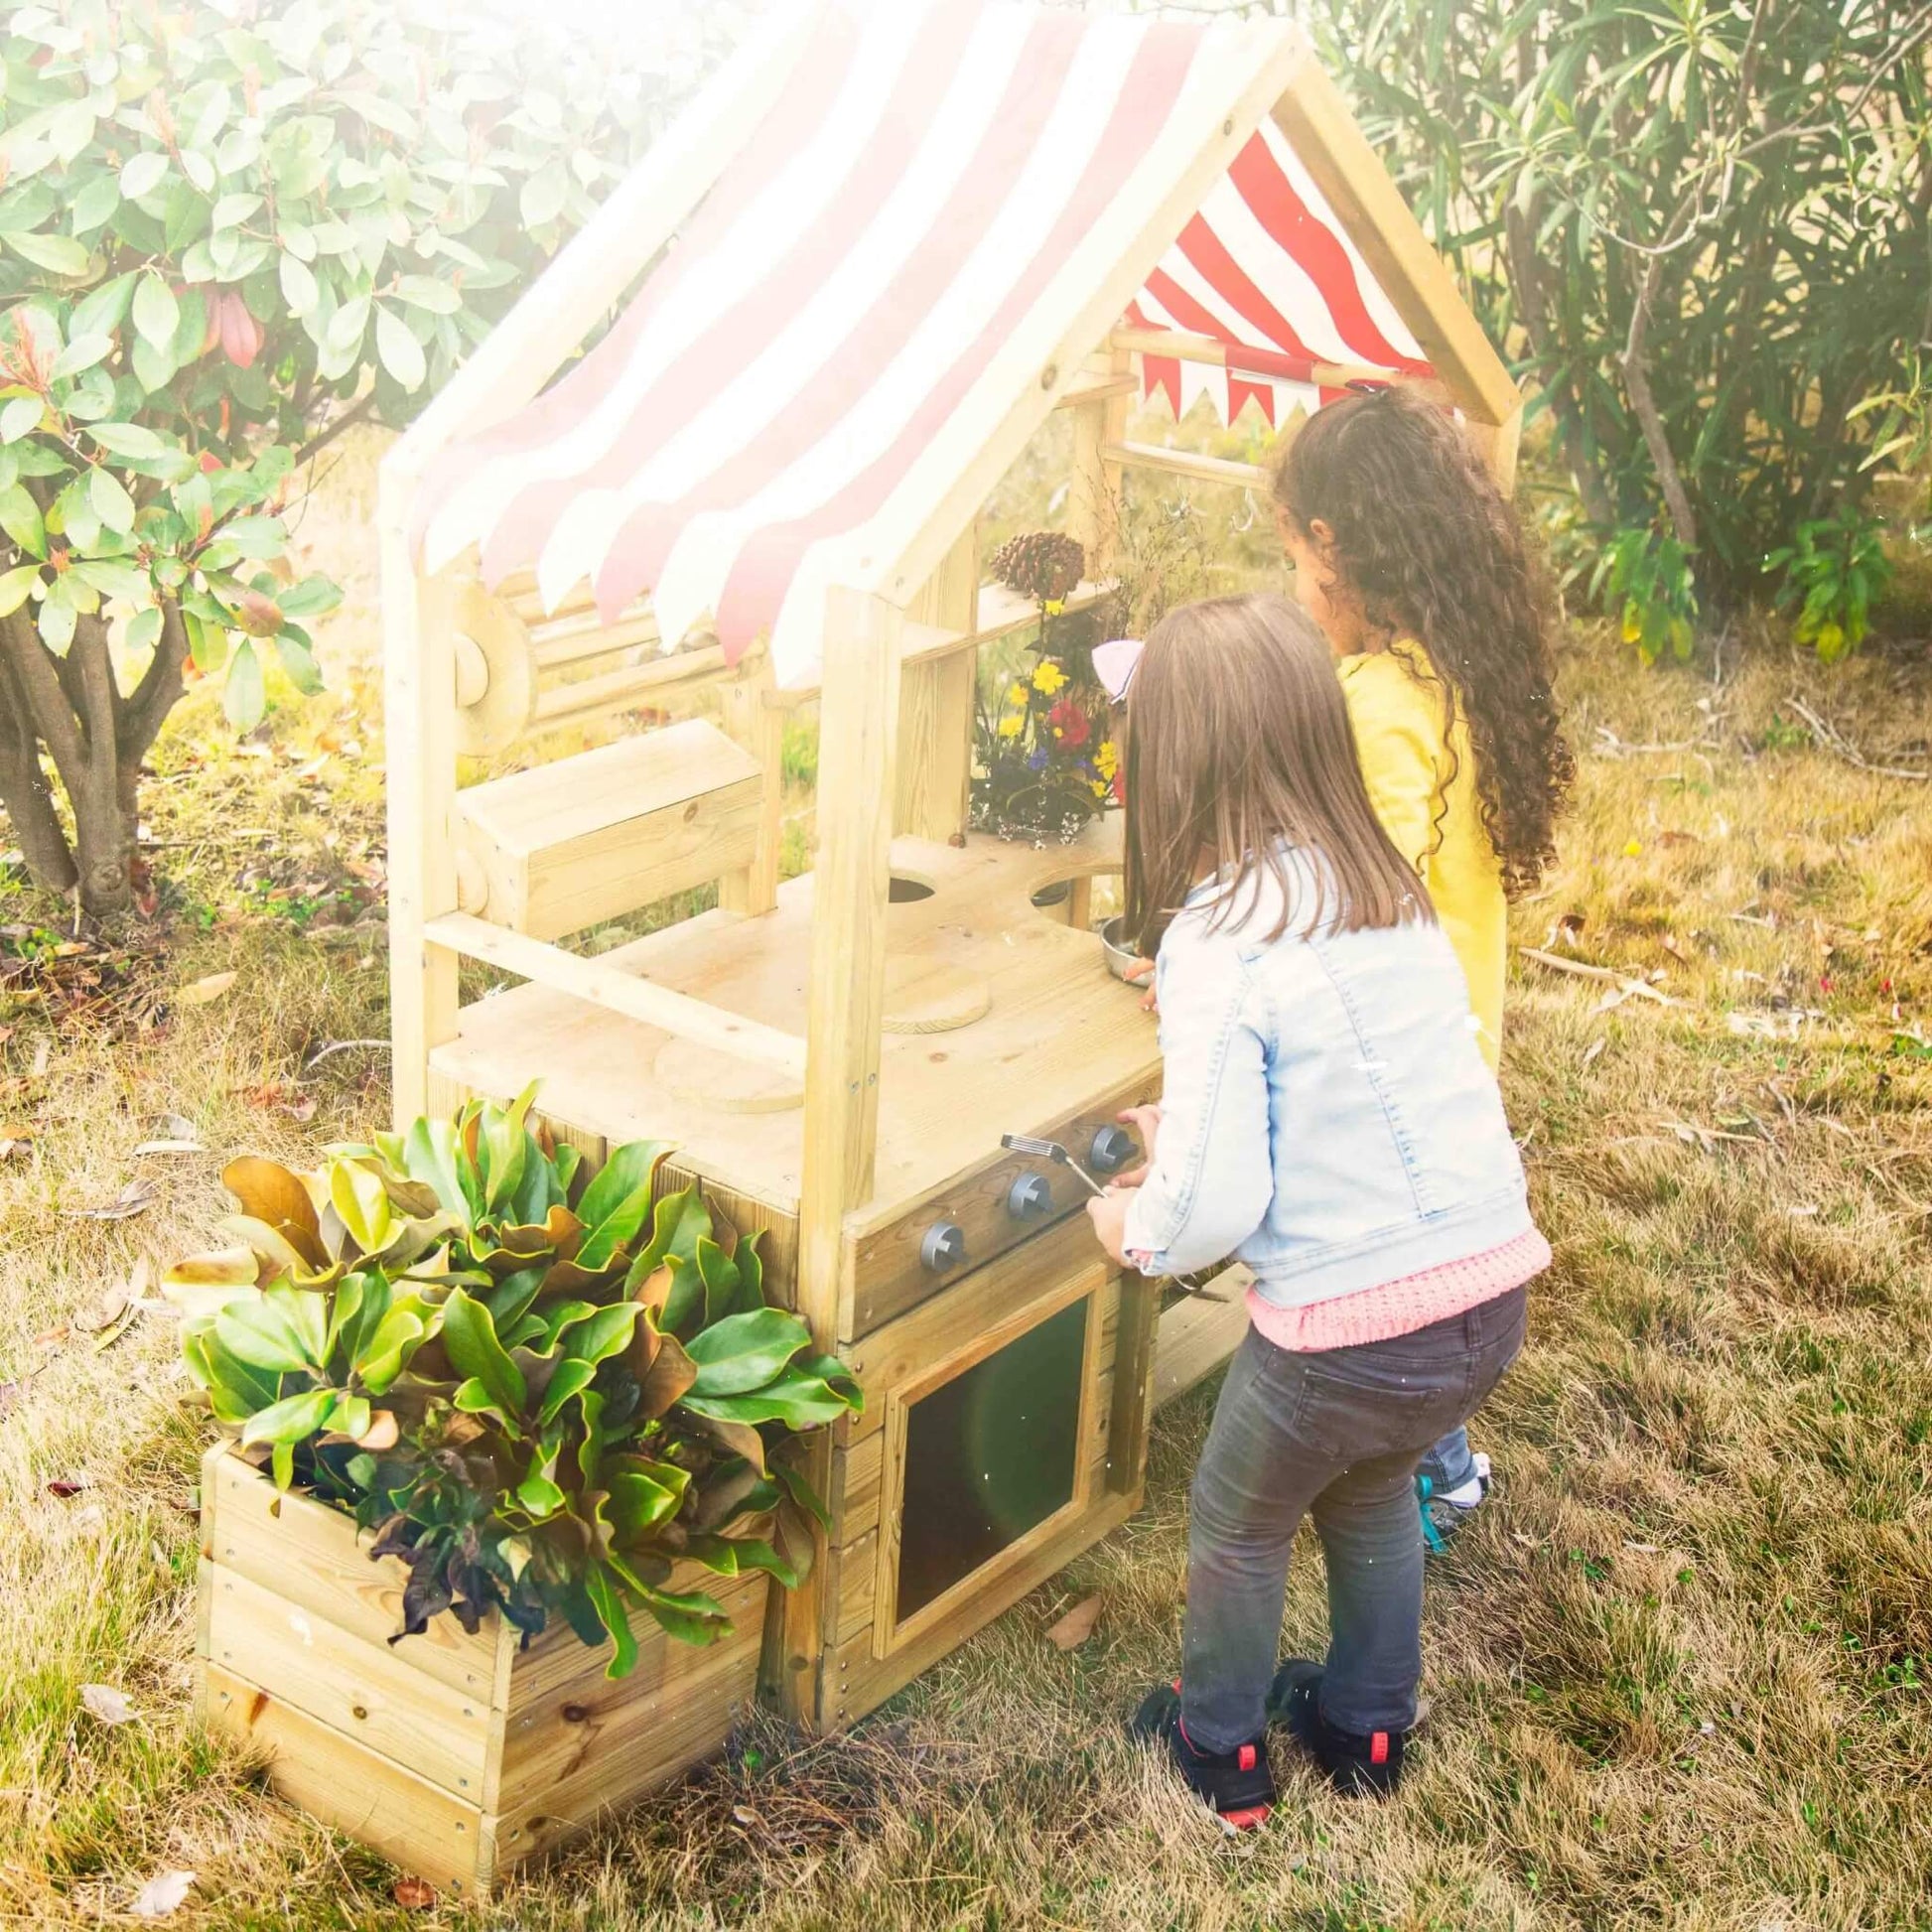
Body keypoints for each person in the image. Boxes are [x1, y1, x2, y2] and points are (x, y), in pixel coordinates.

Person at [1083, 595, 1548, 1827]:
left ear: (1172, 764)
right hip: (1483, 1290)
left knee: (1238, 1522)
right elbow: (1354, 1095)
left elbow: (1211, 1202)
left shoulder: (1217, 935)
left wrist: (1132, 1222)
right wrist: (1180, 1124)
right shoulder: (1382, 886)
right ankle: (1366, 1724)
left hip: (1346, 1335)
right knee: (1370, 1491)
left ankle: (1219, 1750)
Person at [1272, 387, 1573, 1547]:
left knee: (1387, 1260)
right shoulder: (1451, 670)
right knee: (1424, 1247)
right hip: (1456, 1035)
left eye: (1295, 561)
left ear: (1336, 551)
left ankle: (1416, 1458)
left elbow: (1367, 883)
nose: (1297, 590)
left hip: (1392, 1048)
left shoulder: (1376, 705)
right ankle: (1433, 1452)